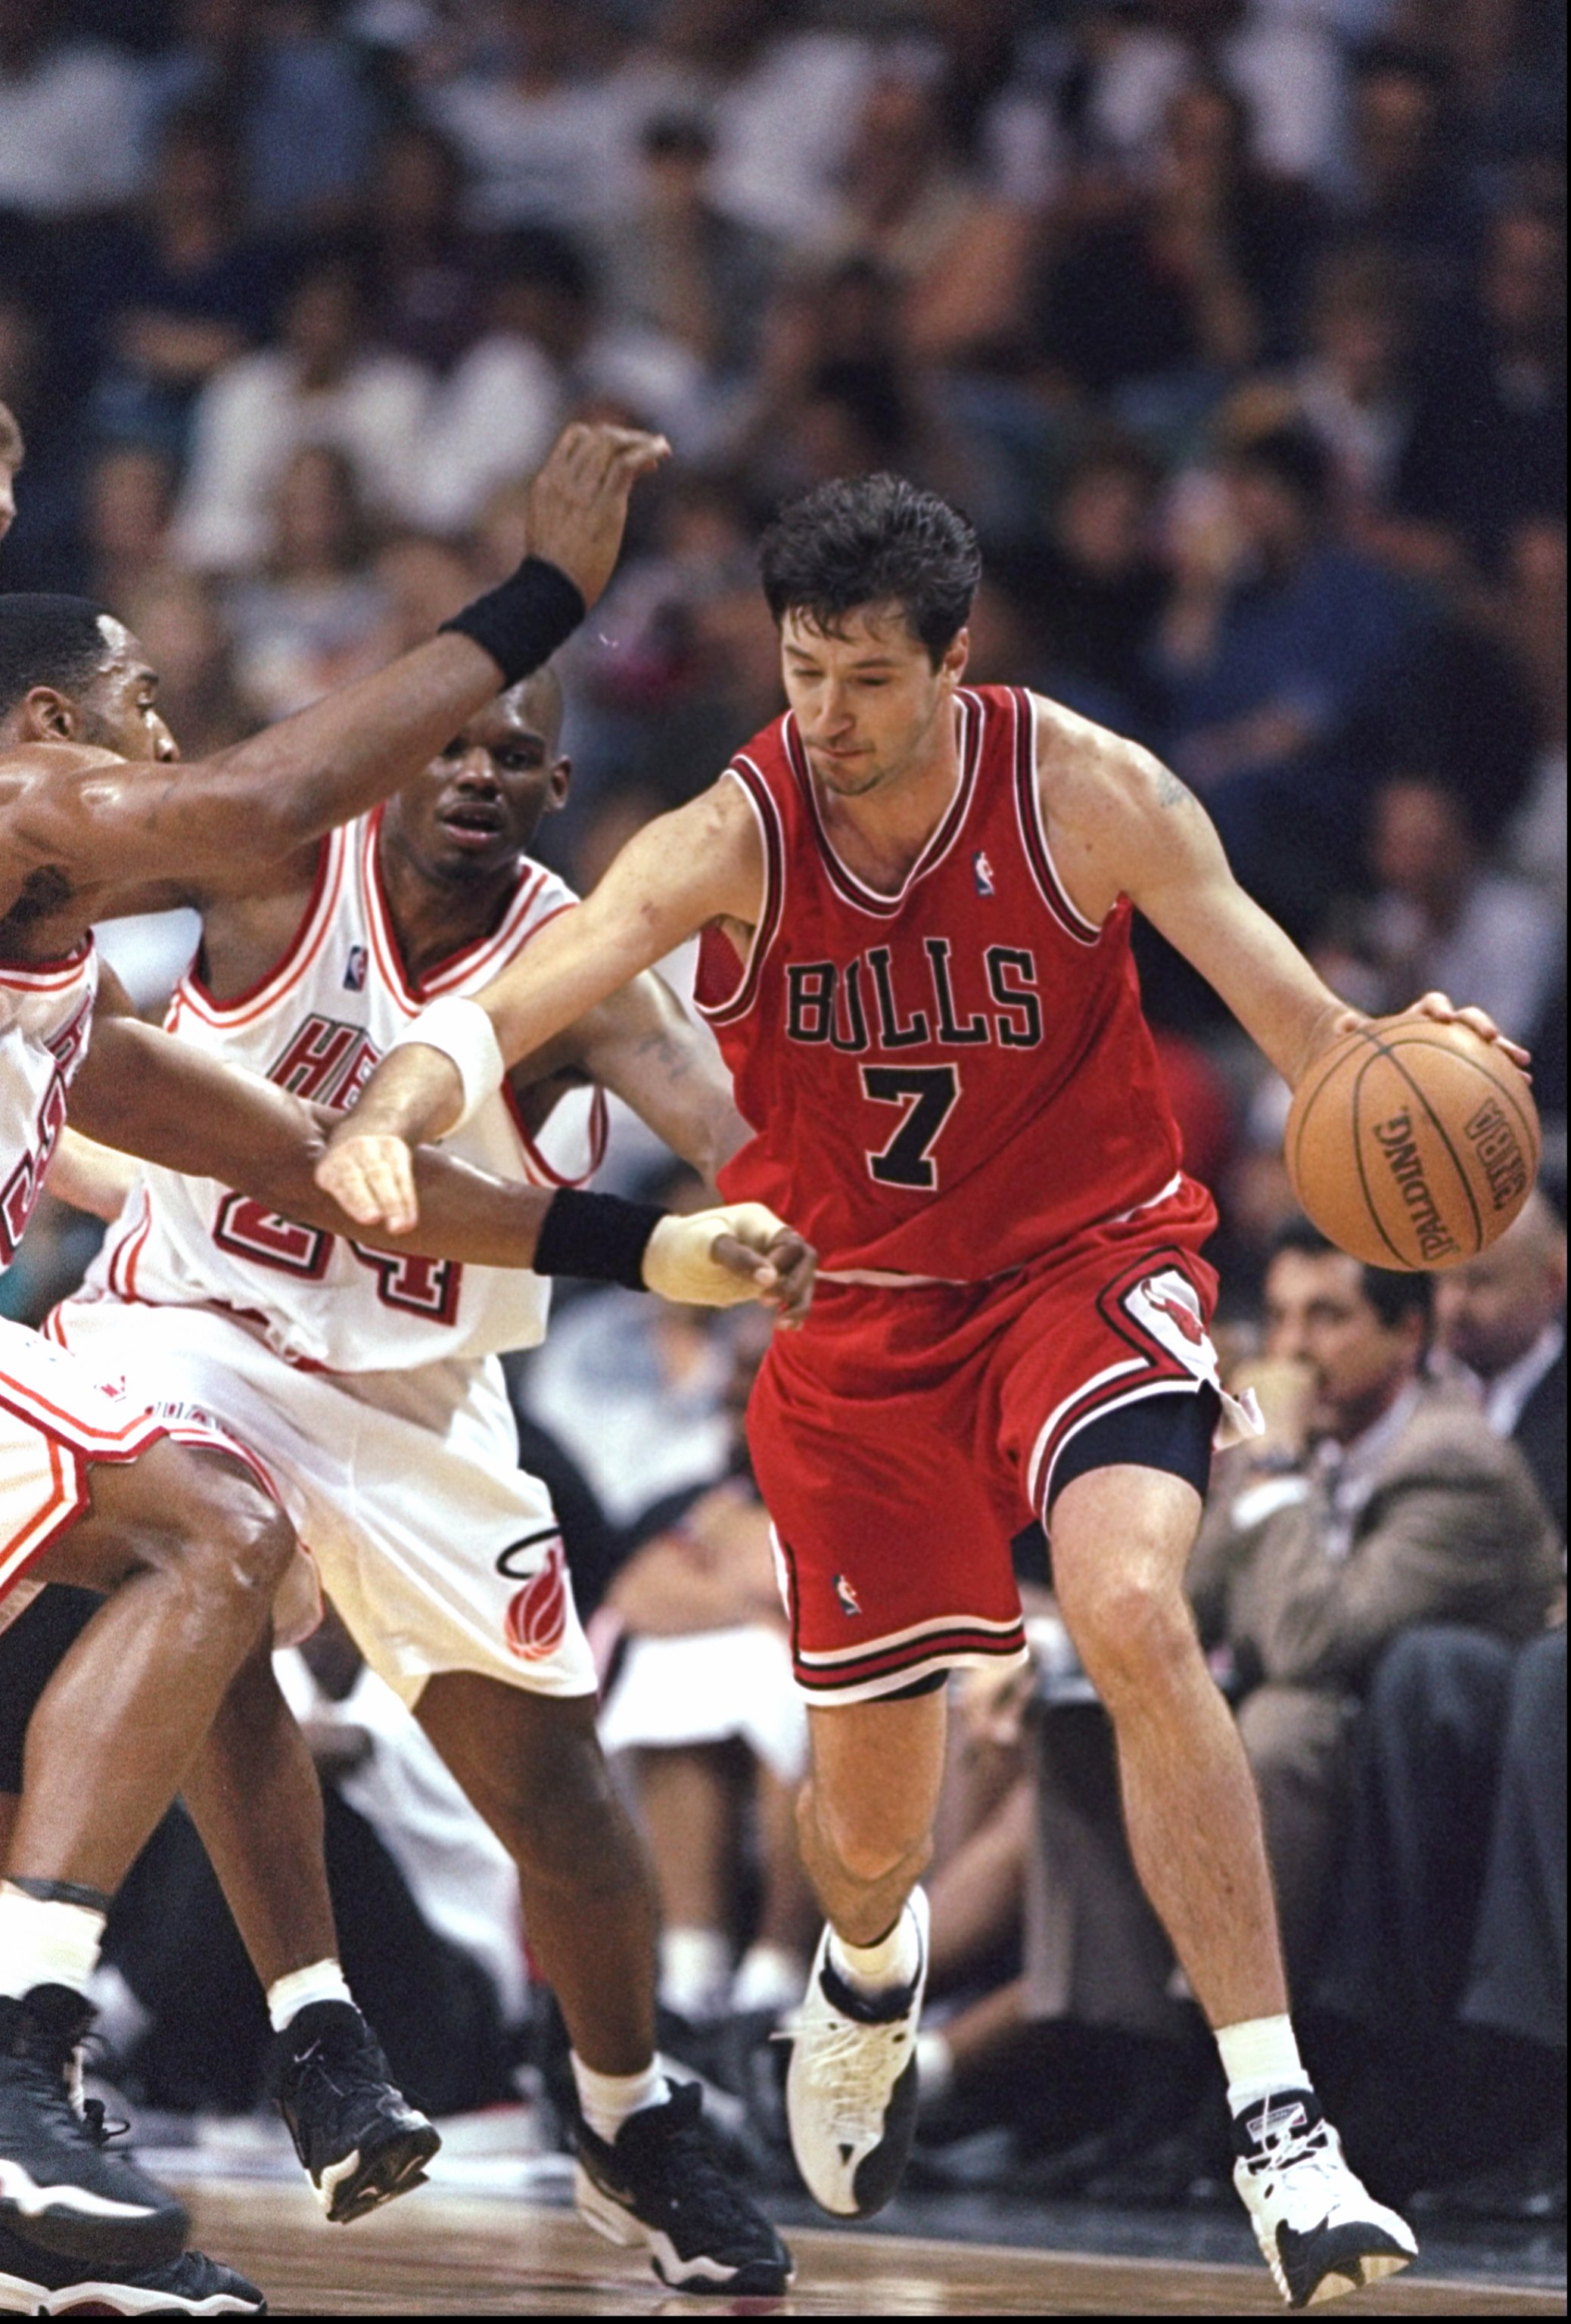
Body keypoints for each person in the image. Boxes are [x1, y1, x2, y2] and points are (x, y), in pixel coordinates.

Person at [318, 470, 1529, 2309]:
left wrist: (1409, 1064)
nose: (823, 715)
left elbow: (1308, 1038)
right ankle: (864, 1969)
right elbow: (525, 990)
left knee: (1130, 1610)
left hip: (1086, 1270)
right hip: (859, 1326)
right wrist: (406, 1101)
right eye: (804, 669)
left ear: (957, 667)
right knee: (869, 1826)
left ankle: (1280, 2123)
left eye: (868, 680)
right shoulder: (741, 825)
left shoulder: (1095, 793)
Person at [0, 424, 793, 2290]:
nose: (165, 743)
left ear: (554, 782)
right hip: (194, 1335)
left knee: (559, 1806)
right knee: (211, 1546)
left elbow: (343, 1178)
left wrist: (672, 1240)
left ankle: (621, 2111)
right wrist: (543, 594)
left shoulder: (562, 967)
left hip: (420, 1401)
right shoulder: (238, 861)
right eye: (138, 708)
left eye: (521, 740)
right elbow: (265, 803)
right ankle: (177, 2032)